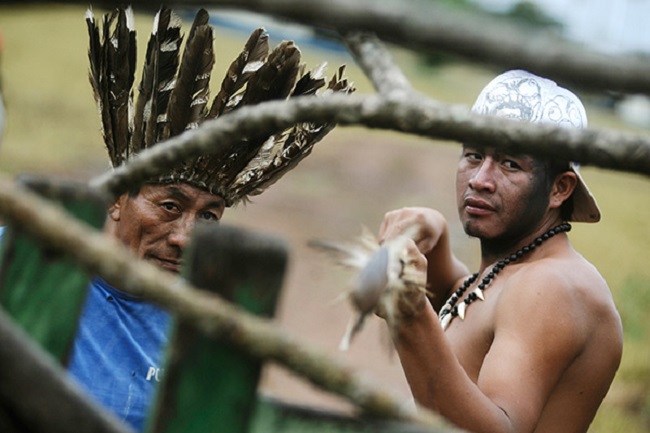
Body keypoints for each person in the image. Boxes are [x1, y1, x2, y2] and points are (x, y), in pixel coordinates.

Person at [63, 6, 353, 432]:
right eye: (169, 207)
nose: (185, 238)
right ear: (117, 199)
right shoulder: (28, 261)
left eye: (209, 217)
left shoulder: (208, 327)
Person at [377, 70, 622, 433]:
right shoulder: (519, 272)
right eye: (474, 155)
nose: (480, 179)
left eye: (510, 164)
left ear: (559, 188)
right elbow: (471, 309)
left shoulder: (551, 287)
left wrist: (411, 313)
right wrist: (437, 236)